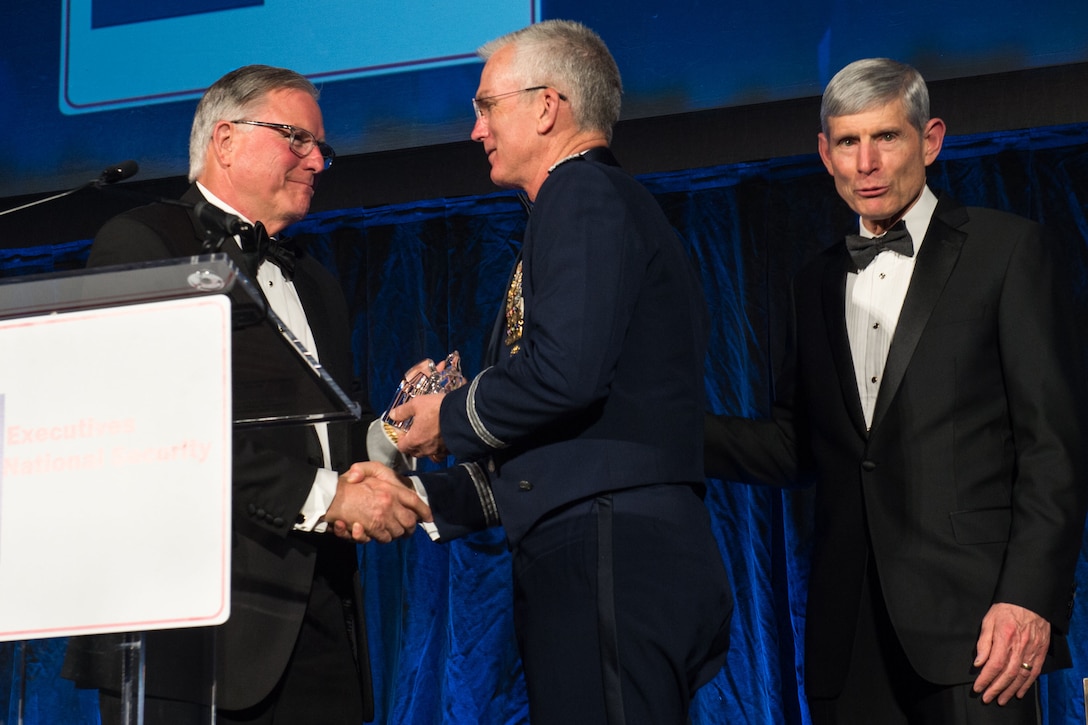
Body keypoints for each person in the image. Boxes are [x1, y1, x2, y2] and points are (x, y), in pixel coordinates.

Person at [328, 19, 733, 725]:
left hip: (608, 549)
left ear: (547, 106)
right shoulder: (583, 208)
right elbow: (553, 440)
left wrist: (446, 416)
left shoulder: (581, 195)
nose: (474, 130)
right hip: (603, 544)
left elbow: (564, 377)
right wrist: (421, 497)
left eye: (486, 106)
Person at [704, 57, 1088, 724]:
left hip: (978, 634)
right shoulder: (813, 282)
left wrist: (1030, 598)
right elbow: (801, 446)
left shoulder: (1008, 252)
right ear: (825, 154)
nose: (867, 163)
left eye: (887, 137)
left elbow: (1053, 447)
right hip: (849, 640)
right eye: (849, 143)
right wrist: (662, 422)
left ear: (930, 139)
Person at [62, 64, 432, 724]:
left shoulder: (314, 280)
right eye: (297, 137)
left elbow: (324, 443)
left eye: (322, 146)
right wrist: (327, 496)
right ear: (225, 140)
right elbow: (155, 431)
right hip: (192, 638)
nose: (318, 159)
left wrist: (388, 439)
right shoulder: (145, 242)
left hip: (318, 622)